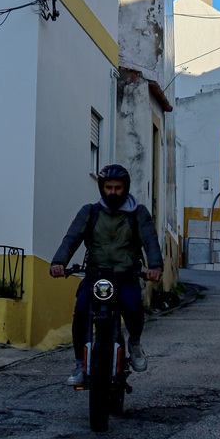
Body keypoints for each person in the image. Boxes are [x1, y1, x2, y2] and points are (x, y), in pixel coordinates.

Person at [50, 163, 164, 385]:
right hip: (95, 276)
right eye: (109, 187)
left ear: (126, 188)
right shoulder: (89, 212)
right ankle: (80, 365)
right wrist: (58, 262)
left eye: (118, 188)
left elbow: (150, 241)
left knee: (133, 307)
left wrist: (155, 266)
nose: (113, 192)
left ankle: (135, 345)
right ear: (102, 187)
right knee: (81, 311)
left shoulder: (138, 214)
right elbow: (71, 238)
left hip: (126, 276)